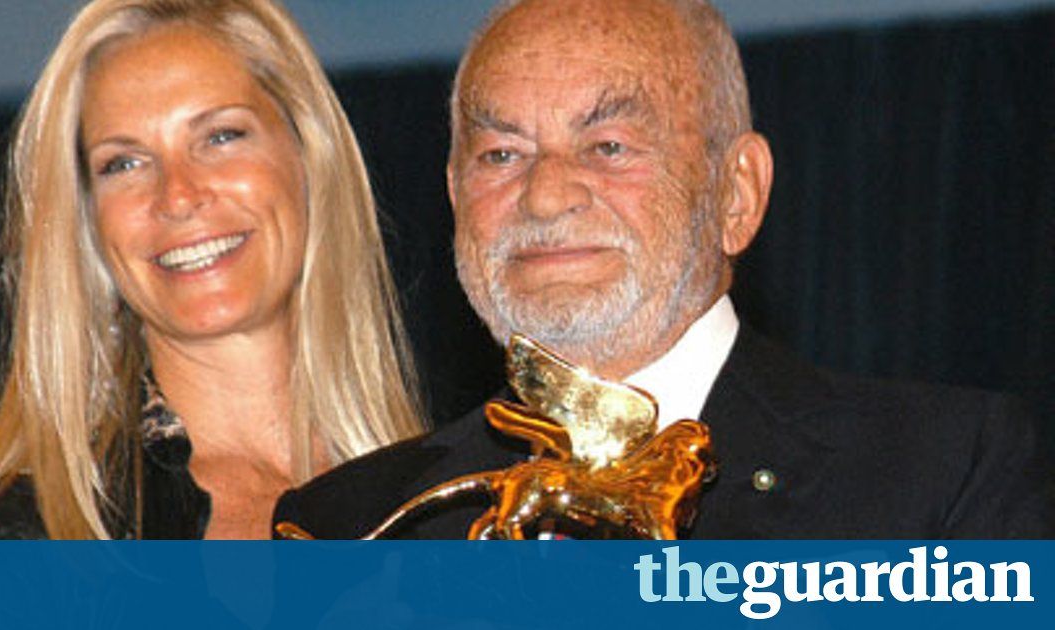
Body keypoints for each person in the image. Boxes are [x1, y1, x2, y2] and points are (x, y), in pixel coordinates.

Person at [273, 0, 1053, 538]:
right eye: (502, 154)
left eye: (608, 146)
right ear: (453, 197)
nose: (544, 196)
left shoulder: (941, 475)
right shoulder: (350, 523)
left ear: (736, 194)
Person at [0, 0, 423, 539]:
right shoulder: (40, 536)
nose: (178, 196)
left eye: (221, 136)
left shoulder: (445, 501)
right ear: (86, 224)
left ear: (309, 155)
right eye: (123, 163)